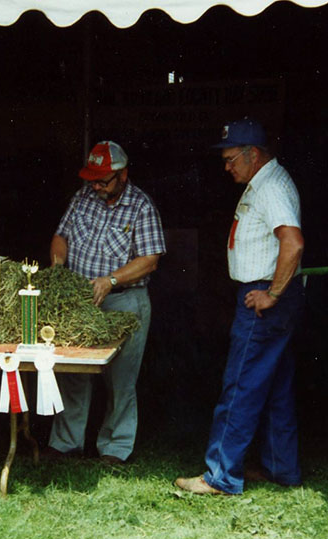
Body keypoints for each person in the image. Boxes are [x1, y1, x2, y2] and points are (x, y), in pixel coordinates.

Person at [175, 118, 305, 494]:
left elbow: (293, 243)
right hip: (266, 296)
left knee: (240, 386)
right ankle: (282, 468)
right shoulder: (264, 183)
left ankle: (220, 474)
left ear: (254, 154)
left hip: (263, 300)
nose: (226, 166)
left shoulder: (270, 189)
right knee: (276, 388)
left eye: (232, 158)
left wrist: (273, 294)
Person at [47, 140, 166, 464]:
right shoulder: (83, 196)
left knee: (121, 379)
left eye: (102, 180)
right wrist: (59, 269)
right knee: (72, 372)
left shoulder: (141, 206)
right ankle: (66, 445)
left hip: (124, 302)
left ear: (123, 175)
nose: (96, 186)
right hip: (81, 301)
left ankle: (115, 449)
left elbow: (150, 259)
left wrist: (111, 280)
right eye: (92, 179)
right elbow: (61, 236)